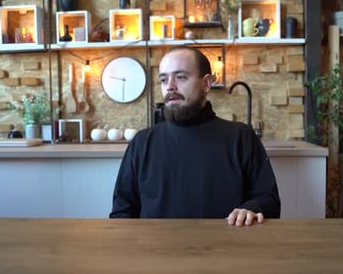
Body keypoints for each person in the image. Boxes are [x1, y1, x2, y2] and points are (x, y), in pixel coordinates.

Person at [109, 46, 280, 226]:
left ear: (206, 83)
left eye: (181, 77)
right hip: (156, 251)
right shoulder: (142, 142)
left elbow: (269, 200)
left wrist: (251, 209)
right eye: (163, 79)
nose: (170, 86)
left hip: (226, 249)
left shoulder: (241, 137)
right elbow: (122, 212)